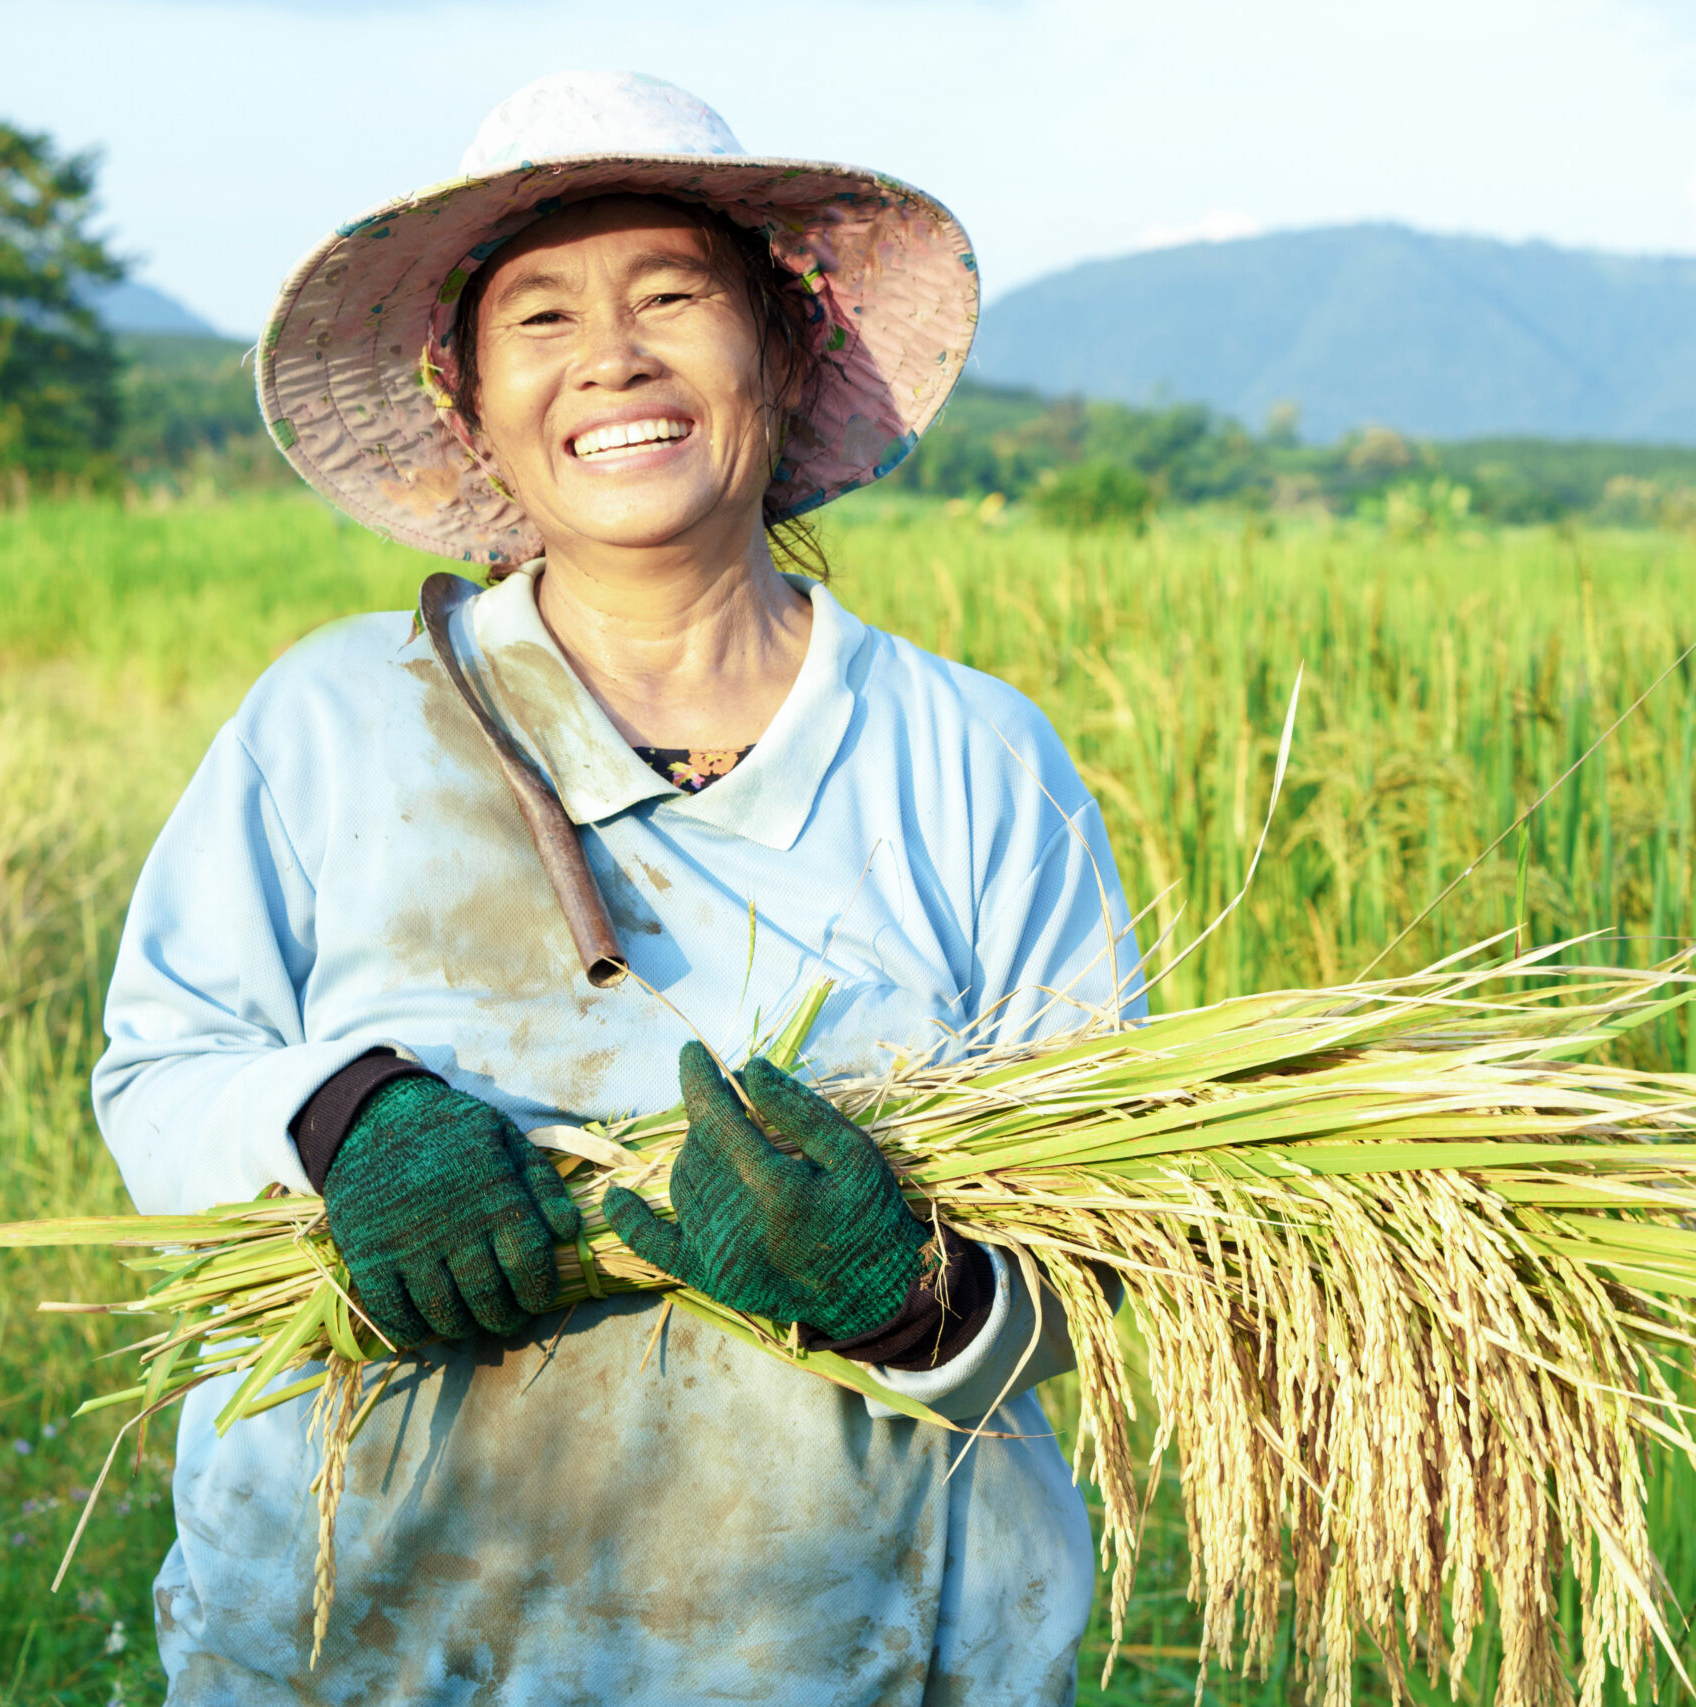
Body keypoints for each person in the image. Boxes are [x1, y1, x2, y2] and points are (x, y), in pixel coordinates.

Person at [91, 70, 1141, 1703]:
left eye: (673, 296)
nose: (614, 359)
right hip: (375, 1634)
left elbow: (1106, 1248)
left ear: (782, 358)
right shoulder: (338, 719)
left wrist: (901, 1295)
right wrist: (347, 1123)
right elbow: (159, 1080)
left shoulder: (970, 757)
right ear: (470, 397)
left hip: (853, 1643)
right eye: (541, 317)